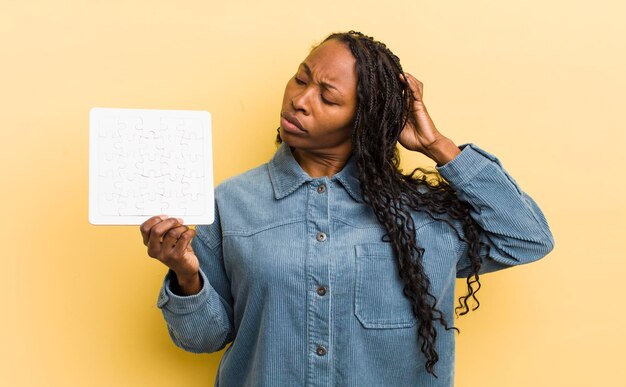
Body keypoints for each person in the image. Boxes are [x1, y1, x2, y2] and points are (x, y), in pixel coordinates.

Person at [139, 31, 554, 386]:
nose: (300, 100)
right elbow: (203, 338)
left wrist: (437, 146)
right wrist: (186, 274)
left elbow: (527, 238)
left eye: (327, 97)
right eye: (300, 79)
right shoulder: (231, 202)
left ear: (363, 119)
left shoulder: (423, 217)